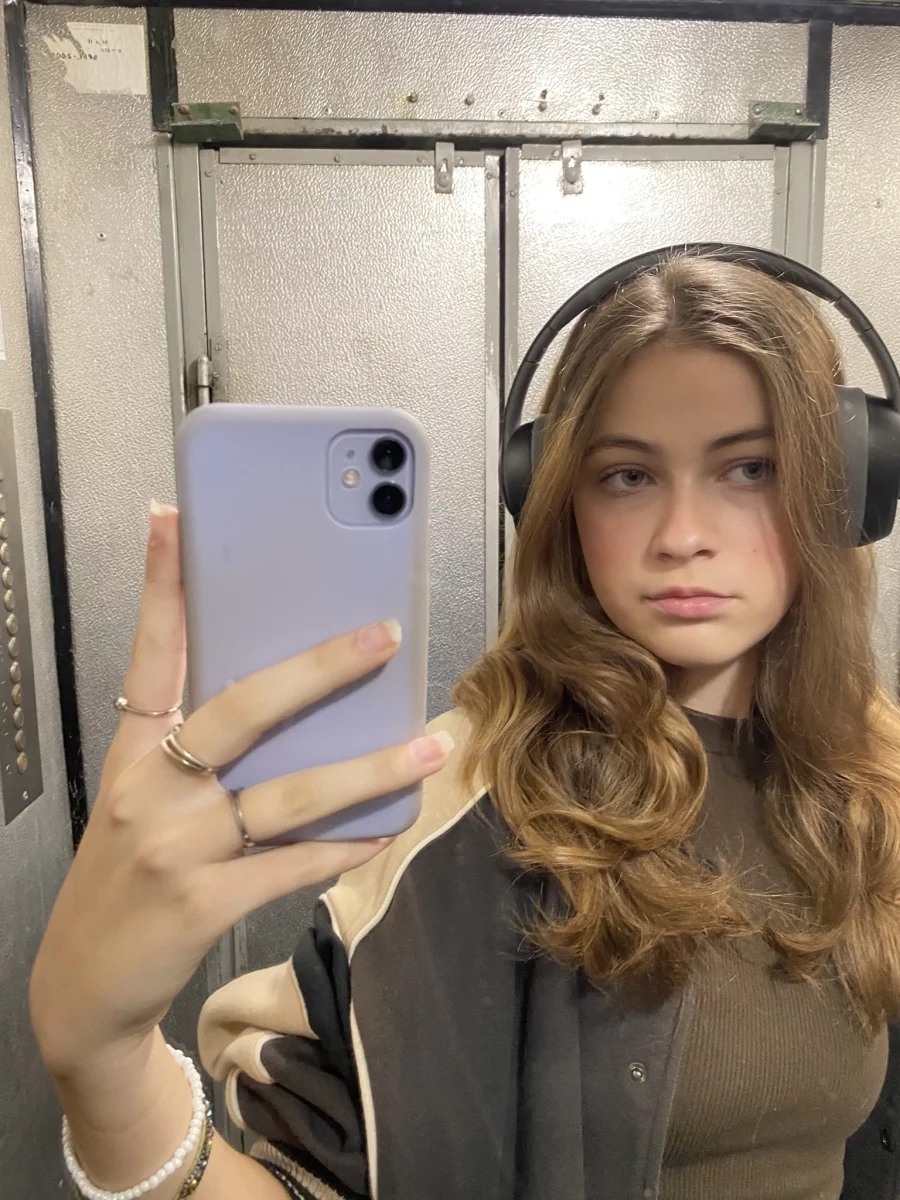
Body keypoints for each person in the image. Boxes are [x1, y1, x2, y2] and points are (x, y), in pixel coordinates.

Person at [29, 253, 900, 1200]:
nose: (682, 535)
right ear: (560, 501)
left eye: (751, 467)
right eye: (626, 476)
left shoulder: (874, 769)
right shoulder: (459, 803)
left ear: (846, 483)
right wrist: (105, 1067)